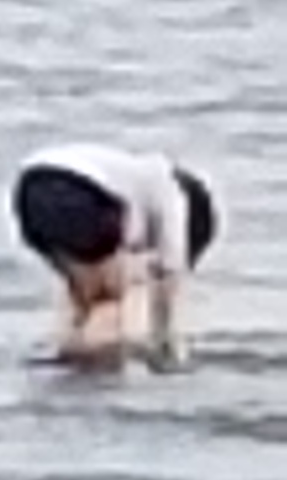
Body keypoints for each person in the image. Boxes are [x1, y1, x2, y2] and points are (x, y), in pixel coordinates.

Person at [12, 143, 216, 370]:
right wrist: (167, 347)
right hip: (77, 191)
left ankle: (67, 360)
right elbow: (170, 272)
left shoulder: (137, 180)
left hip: (28, 194)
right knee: (108, 296)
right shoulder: (172, 195)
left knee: (81, 296)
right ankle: (94, 378)